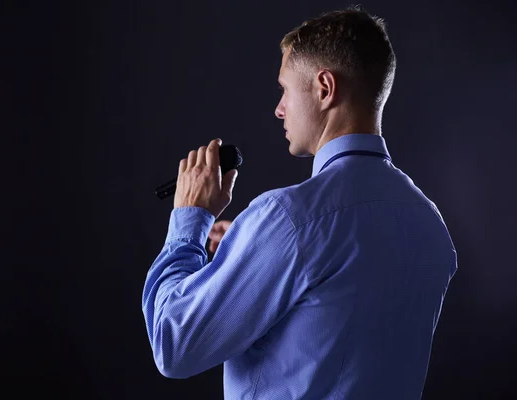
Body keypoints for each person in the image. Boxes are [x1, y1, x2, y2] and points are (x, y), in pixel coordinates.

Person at [142, 6, 457, 399]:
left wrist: (190, 221)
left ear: (324, 88)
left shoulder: (289, 221)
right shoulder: (431, 225)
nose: (279, 108)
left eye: (285, 89)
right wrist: (249, 249)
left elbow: (174, 345)